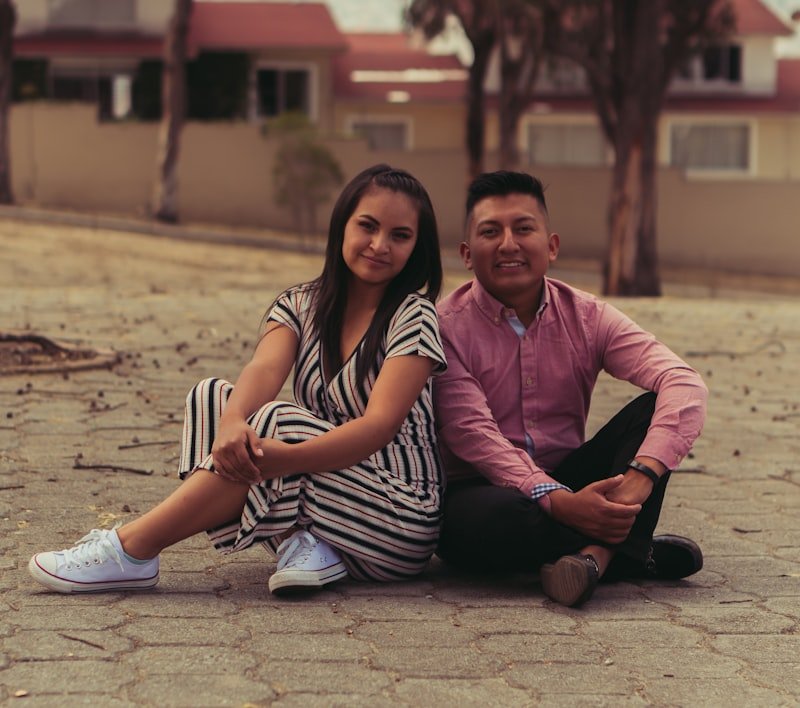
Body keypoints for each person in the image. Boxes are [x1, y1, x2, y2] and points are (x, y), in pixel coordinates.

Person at [29, 164, 447, 595]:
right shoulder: (301, 302)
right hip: (326, 499)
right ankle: (307, 544)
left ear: (417, 247)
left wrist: (279, 459)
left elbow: (379, 426)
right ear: (342, 225)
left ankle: (133, 548)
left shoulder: (413, 315)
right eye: (368, 226)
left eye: (400, 235)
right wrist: (231, 422)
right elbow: (264, 369)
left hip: (398, 514)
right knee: (211, 396)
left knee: (274, 422)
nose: (380, 245)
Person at [433, 170, 708, 607]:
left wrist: (638, 480)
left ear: (552, 246)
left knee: (655, 410)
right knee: (500, 518)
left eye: (524, 229)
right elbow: (471, 433)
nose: (508, 244)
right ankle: (632, 552)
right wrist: (559, 501)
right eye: (491, 232)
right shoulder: (443, 328)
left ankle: (595, 557)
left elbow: (683, 382)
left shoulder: (586, 315)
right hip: (483, 492)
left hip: (573, 477)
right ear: (467, 254)